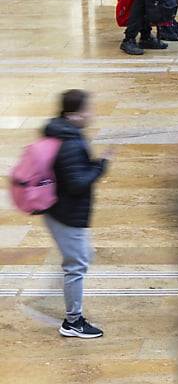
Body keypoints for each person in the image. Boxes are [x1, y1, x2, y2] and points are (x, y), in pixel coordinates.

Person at [41, 90, 110, 338]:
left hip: (61, 211)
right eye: (85, 110)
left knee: (80, 257)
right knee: (77, 265)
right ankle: (73, 322)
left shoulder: (66, 132)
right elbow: (77, 183)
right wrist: (100, 166)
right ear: (72, 114)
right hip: (67, 214)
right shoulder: (69, 142)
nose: (90, 114)